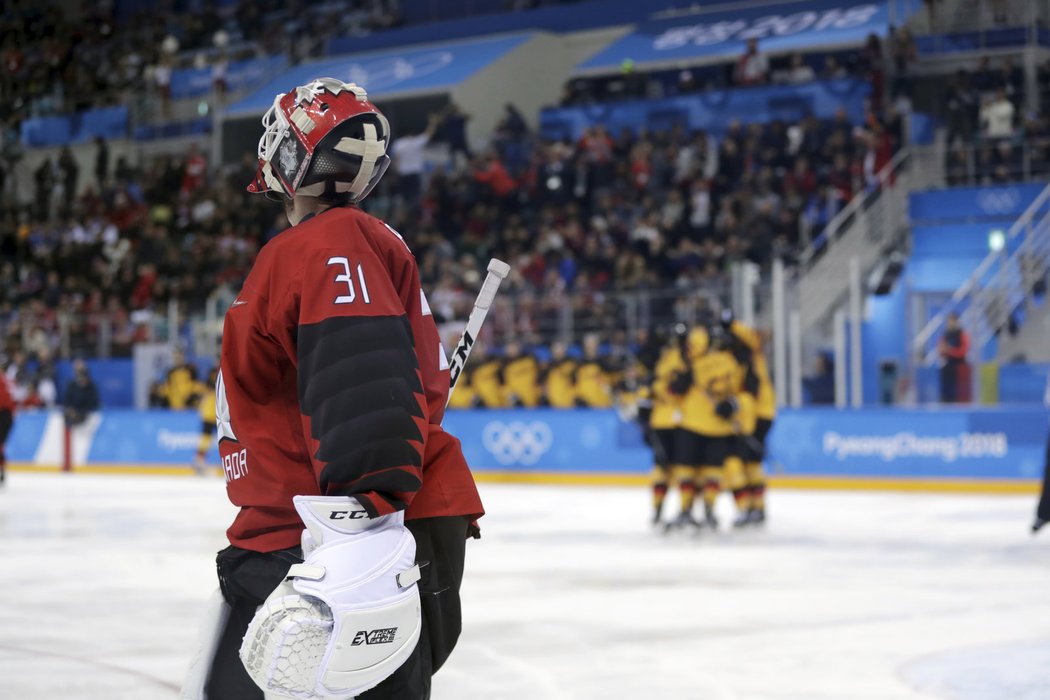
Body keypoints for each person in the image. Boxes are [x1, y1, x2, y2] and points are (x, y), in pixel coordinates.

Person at [188, 77, 483, 700]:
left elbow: (364, 391)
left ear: (296, 153)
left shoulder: (331, 240)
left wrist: (356, 541)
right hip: (307, 546)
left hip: (322, 554)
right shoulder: (341, 243)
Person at [938, 312, 971, 403]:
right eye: (949, 321)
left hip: (960, 364)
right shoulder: (945, 335)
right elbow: (941, 350)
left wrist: (950, 351)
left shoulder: (963, 334)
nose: (950, 323)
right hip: (949, 364)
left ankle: (960, 401)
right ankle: (946, 400)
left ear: (957, 322)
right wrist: (944, 350)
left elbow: (963, 351)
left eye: (952, 321)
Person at [192, 366, 218, 476]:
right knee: (206, 438)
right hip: (212, 414)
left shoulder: (207, 387)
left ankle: (198, 461)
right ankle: (199, 461)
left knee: (206, 438)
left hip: (211, 413)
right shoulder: (211, 386)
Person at [63, 360, 99, 429]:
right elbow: (67, 401)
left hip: (86, 414)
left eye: (84, 379)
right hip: (73, 411)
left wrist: (80, 412)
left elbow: (94, 403)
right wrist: (71, 410)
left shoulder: (92, 387)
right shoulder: (72, 385)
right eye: (80, 379)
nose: (82, 382)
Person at [0, 370, 14, 484]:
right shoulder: (7, 379)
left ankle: (2, 470)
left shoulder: (4, 380)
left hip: (4, 415)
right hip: (7, 416)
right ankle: (2, 470)